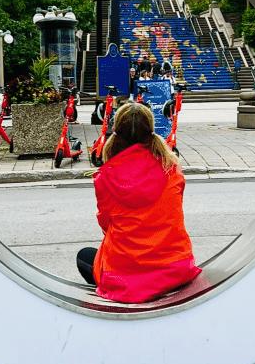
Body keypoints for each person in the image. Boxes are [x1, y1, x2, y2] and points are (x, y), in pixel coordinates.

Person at [76, 102, 200, 303]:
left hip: (126, 280)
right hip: (176, 270)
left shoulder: (105, 178)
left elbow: (106, 226)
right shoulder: (172, 169)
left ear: (116, 134)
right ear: (151, 131)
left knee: (84, 256)